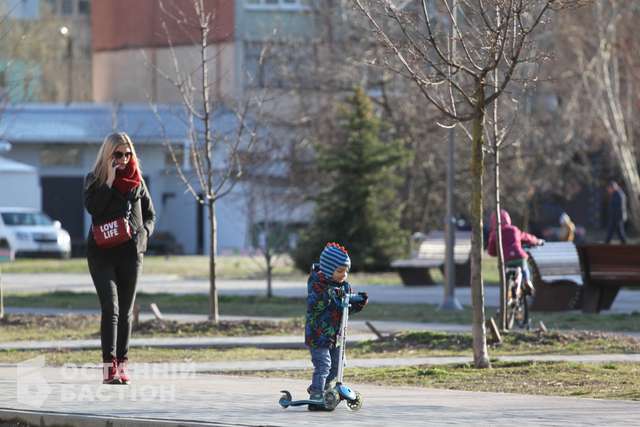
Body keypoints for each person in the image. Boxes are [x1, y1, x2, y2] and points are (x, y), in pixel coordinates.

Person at [84, 132, 156, 384]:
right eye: (118, 154)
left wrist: (143, 236)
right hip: (101, 253)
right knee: (110, 308)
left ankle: (122, 365)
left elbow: (150, 215)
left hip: (130, 253)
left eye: (128, 154)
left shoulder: (137, 181)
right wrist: (110, 182)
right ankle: (108, 368)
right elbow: (93, 209)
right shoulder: (94, 180)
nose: (124, 159)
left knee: (125, 311)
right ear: (108, 154)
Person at [305, 242, 368, 410]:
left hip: (336, 335)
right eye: (340, 271)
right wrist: (330, 295)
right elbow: (314, 304)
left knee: (339, 365)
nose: (344, 275)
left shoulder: (344, 286)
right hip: (318, 335)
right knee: (324, 364)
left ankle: (325, 389)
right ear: (327, 269)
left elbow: (345, 310)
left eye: (346, 271)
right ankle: (316, 394)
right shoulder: (317, 283)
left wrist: (357, 303)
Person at [487, 209, 543, 295]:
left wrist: (496, 252)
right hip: (519, 256)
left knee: (505, 272)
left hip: (506, 259)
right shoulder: (514, 230)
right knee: (524, 268)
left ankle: (508, 291)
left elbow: (491, 251)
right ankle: (527, 281)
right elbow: (527, 237)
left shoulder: (495, 234)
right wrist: (537, 241)